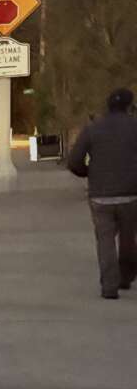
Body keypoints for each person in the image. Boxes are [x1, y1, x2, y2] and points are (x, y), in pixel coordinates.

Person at [68, 87, 137, 298]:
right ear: (129, 106)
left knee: (105, 240)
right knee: (128, 238)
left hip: (99, 195)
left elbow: (74, 161)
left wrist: (88, 173)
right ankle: (126, 277)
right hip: (130, 194)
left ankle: (109, 286)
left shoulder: (92, 128)